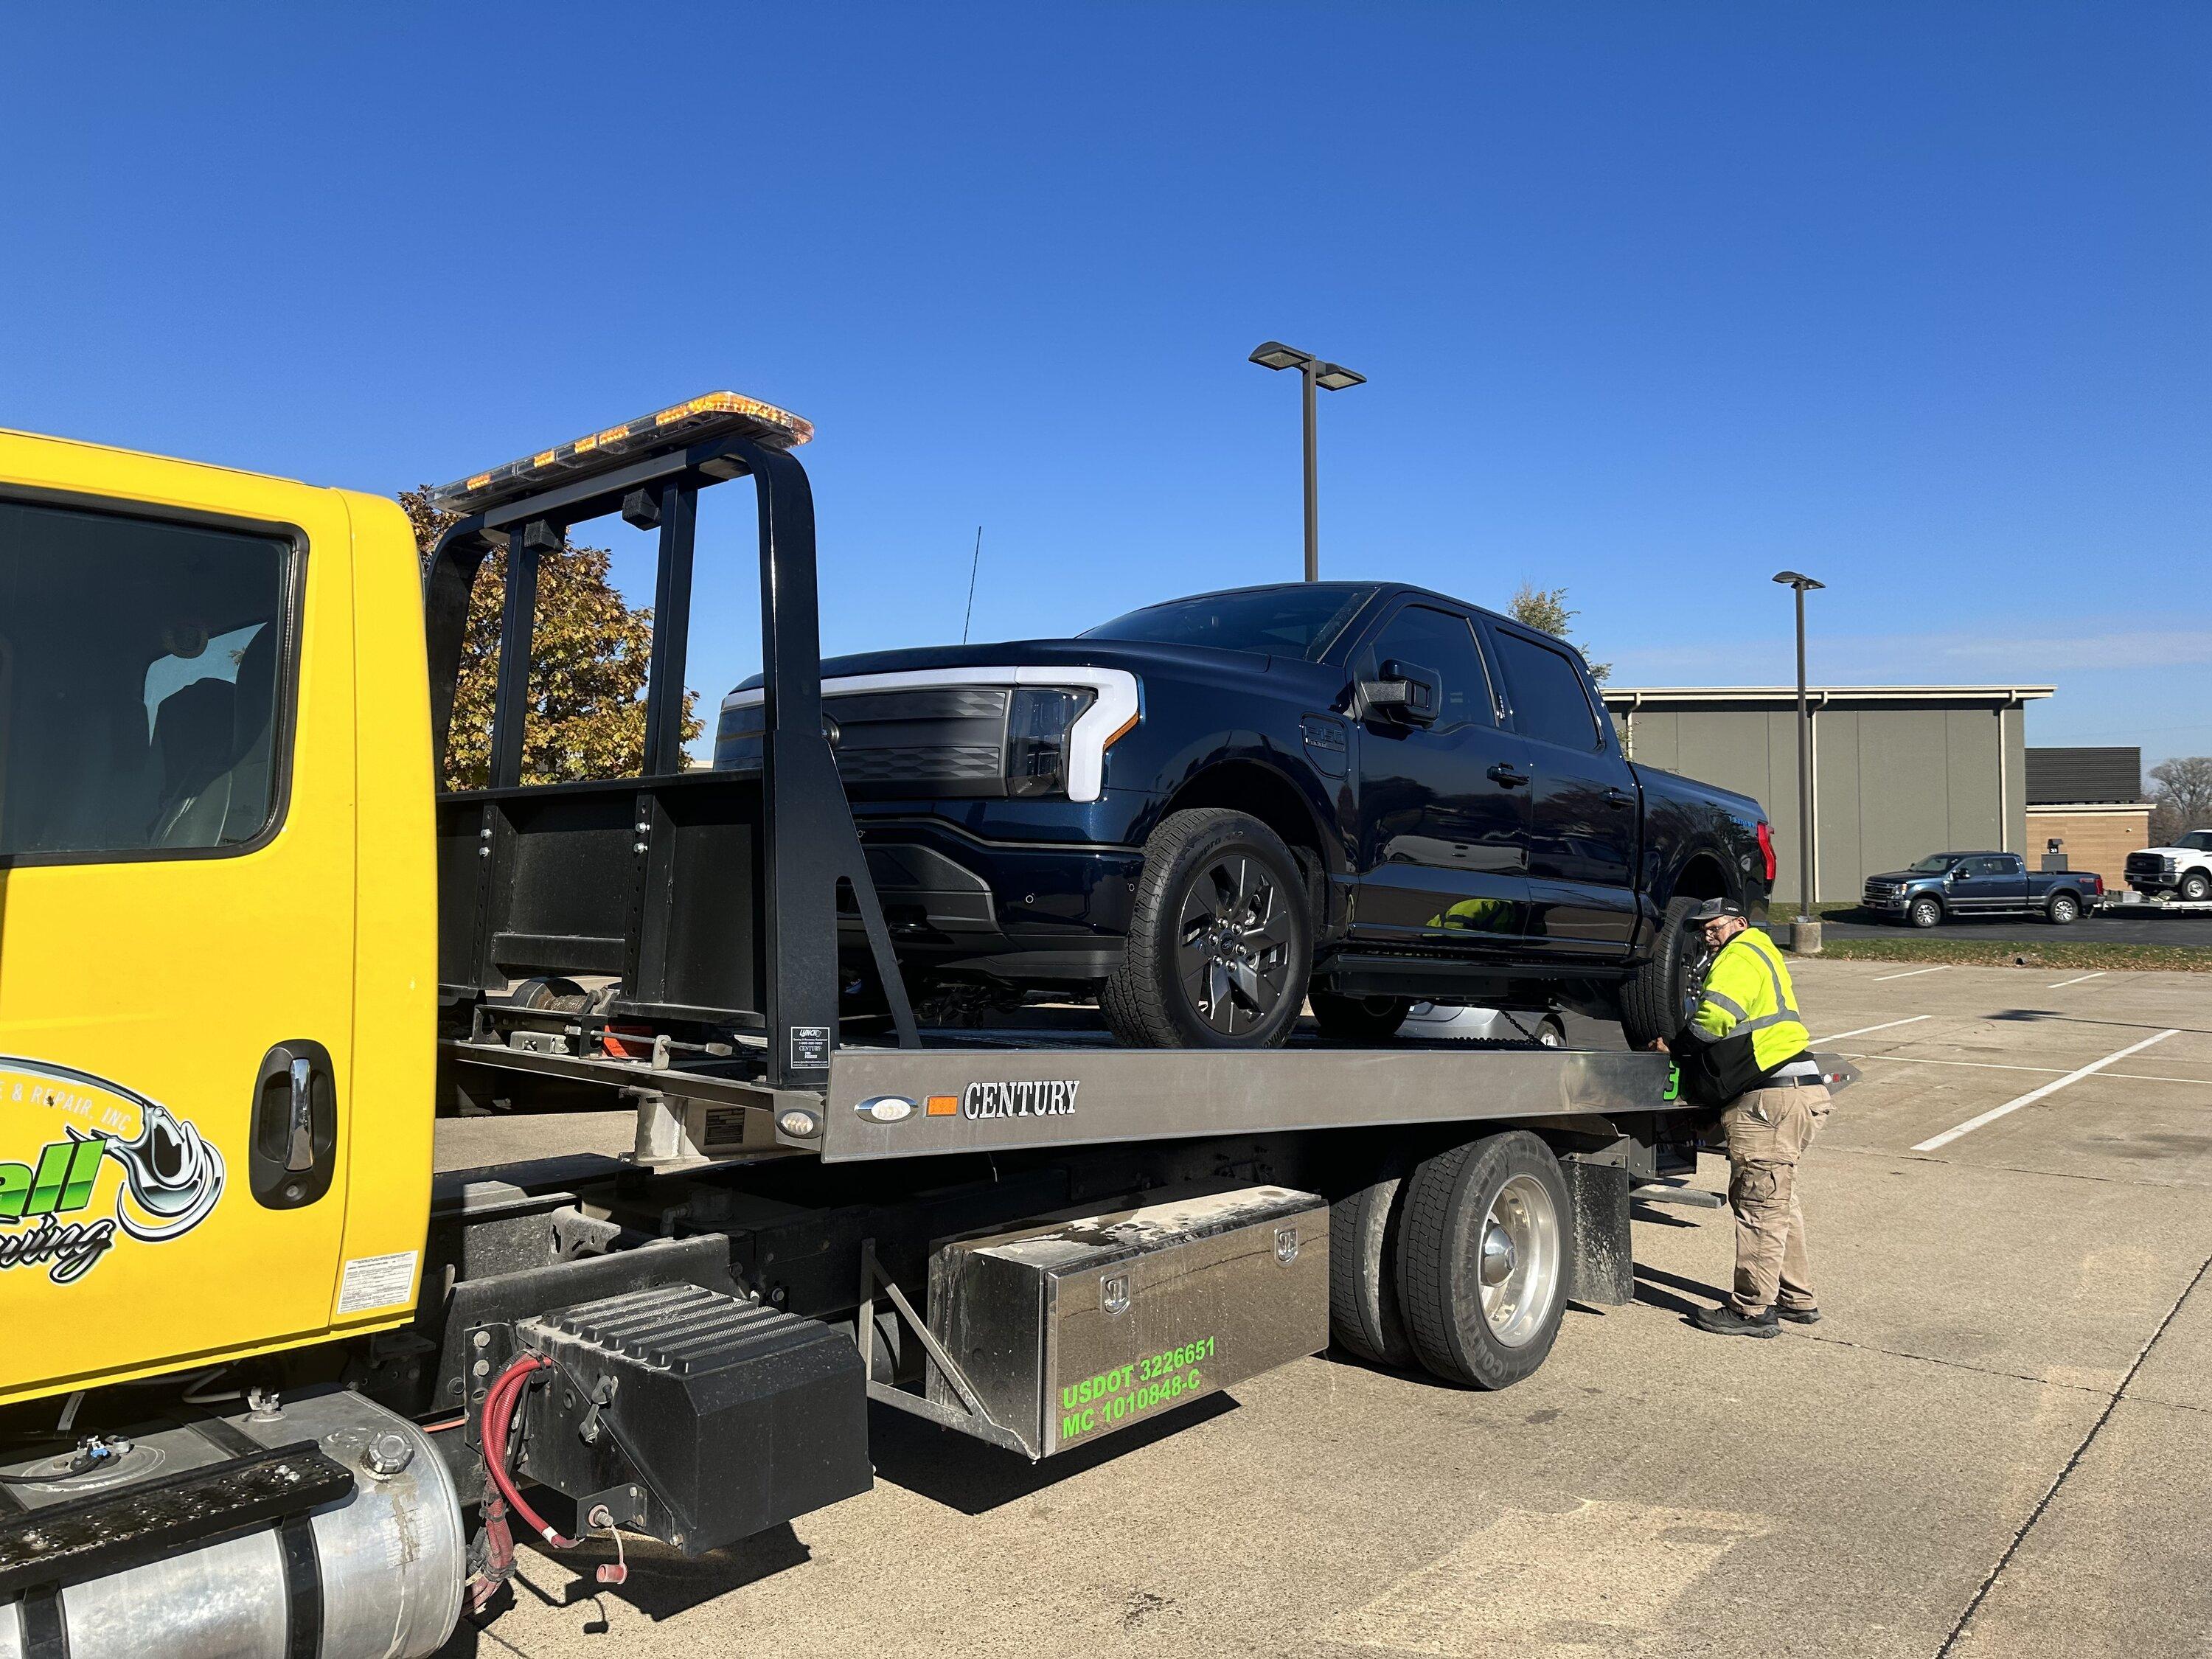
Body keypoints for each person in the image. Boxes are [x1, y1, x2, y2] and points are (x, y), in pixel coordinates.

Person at [1649, 898, 1829, 1338]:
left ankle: (1752, 1310)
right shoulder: (1765, 953)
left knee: (1758, 1204)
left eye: (1714, 927)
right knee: (1777, 1201)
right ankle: (1796, 1298)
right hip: (1800, 1090)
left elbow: (1714, 1020)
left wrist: (1677, 1047)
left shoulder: (1740, 953)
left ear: (1739, 923)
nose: (1708, 935)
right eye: (1702, 931)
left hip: (1769, 1101)